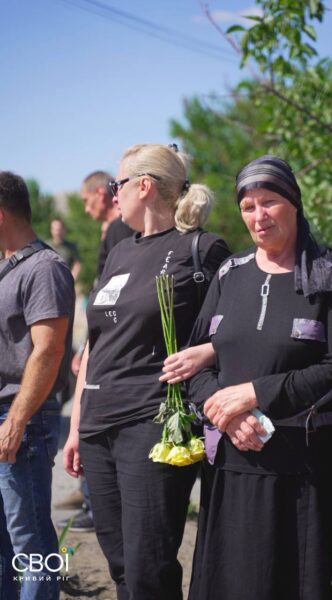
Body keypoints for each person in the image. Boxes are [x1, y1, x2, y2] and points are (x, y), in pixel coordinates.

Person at [183, 155, 332, 600]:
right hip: (233, 464)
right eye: (248, 207)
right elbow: (197, 365)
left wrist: (254, 394)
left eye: (269, 202)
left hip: (303, 469)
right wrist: (225, 413)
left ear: (294, 203)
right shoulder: (230, 273)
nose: (258, 216)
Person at [63, 143, 231, 600]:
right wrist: (76, 427)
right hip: (98, 425)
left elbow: (236, 330)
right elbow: (96, 344)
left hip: (152, 423)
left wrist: (207, 352)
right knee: (121, 564)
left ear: (144, 186)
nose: (112, 193)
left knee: (147, 567)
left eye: (116, 184)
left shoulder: (202, 249)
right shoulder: (119, 250)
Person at [0, 171, 75, 600]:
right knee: (6, 544)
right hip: (10, 416)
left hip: (22, 419)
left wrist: (15, 420)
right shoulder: (8, 267)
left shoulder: (45, 268)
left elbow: (48, 350)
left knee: (31, 543)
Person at [56, 170, 133, 530]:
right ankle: (90, 496)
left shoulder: (118, 229)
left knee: (91, 414)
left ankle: (95, 503)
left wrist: (92, 343)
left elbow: (112, 295)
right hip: (101, 339)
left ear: (102, 194)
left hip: (109, 344)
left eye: (87, 201)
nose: (86, 209)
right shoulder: (113, 229)